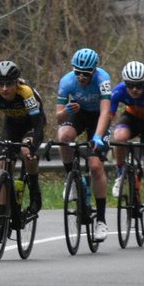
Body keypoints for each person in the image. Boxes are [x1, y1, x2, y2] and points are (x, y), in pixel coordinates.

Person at [92, 61, 144, 237]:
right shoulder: (118, 91)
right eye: (130, 85)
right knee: (119, 138)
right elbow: (108, 116)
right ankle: (121, 174)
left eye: (138, 85)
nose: (134, 89)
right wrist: (100, 135)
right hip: (132, 119)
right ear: (125, 83)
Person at [55, 47, 113, 241]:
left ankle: (102, 221)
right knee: (63, 136)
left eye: (85, 74)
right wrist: (66, 111)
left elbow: (106, 111)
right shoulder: (67, 81)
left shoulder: (103, 79)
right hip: (79, 113)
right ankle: (70, 178)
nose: (80, 77)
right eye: (77, 72)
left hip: (99, 117)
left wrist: (97, 137)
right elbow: (58, 116)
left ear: (94, 71)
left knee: (95, 166)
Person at [0, 59, 46, 215]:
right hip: (12, 124)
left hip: (32, 124)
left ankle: (35, 192)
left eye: (9, 84)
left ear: (16, 83)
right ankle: (2, 220)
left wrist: (32, 145)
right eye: (0, 84)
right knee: (4, 166)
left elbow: (38, 126)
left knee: (27, 153)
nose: (4, 89)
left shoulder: (26, 92)